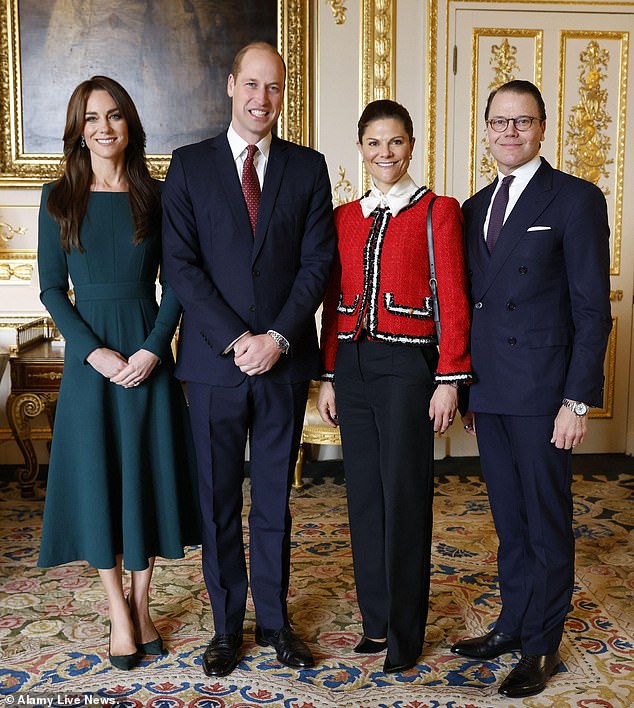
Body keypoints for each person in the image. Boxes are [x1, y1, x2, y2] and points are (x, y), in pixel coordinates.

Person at [161, 42, 335, 677]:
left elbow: (318, 264)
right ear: (231, 85)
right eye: (252, 84)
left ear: (283, 94)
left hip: (283, 365)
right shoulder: (188, 166)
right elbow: (180, 265)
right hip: (213, 366)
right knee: (216, 500)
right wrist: (239, 339)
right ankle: (226, 627)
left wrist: (279, 338)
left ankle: (275, 622)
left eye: (275, 87)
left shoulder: (308, 168)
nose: (263, 98)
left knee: (274, 501)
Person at [451, 80, 612, 698]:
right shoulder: (472, 206)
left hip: (546, 395)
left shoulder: (574, 199)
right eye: (499, 122)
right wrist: (464, 387)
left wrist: (576, 401)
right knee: (509, 522)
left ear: (543, 128)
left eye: (523, 122)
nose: (510, 132)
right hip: (490, 391)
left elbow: (591, 309)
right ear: (485, 128)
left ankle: (542, 644)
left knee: (547, 523)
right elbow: (470, 305)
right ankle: (513, 623)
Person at [37, 76, 200, 671]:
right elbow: (53, 290)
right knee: (103, 481)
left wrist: (156, 348)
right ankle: (117, 610)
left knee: (146, 479)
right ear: (78, 131)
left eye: (114, 116)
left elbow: (179, 281)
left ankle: (143, 602)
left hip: (147, 358)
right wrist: (93, 353)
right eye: (91, 118)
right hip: (92, 364)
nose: (103, 127)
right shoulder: (57, 200)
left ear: (129, 124)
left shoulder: (157, 198)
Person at [317, 99, 473, 674]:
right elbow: (334, 302)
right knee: (363, 497)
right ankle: (375, 621)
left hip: (409, 370)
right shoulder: (344, 218)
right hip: (354, 368)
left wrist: (450, 380)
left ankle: (406, 635)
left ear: (412, 145)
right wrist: (330, 375)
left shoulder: (438, 211)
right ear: (360, 148)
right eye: (374, 143)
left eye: (396, 142)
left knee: (405, 497)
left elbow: (454, 299)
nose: (385, 153)